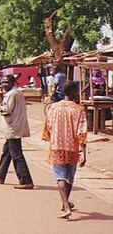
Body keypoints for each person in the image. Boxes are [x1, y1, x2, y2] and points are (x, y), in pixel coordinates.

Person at [42, 81, 87, 219]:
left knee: (60, 176)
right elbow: (82, 132)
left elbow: (48, 126)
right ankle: (66, 205)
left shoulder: (53, 107)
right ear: (73, 92)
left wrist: (53, 138)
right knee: (69, 177)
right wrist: (83, 152)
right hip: (72, 147)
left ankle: (65, 204)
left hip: (56, 145)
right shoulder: (79, 110)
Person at [0, 74, 34, 189]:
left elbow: (7, 109)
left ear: (12, 83)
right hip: (15, 125)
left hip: (13, 126)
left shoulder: (12, 94)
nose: (4, 85)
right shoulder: (16, 93)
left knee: (16, 154)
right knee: (7, 152)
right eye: (3, 82)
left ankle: (25, 180)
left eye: (7, 82)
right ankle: (0, 175)